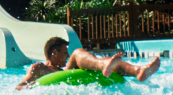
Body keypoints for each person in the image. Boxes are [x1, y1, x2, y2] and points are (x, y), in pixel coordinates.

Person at [16, 36, 160, 90]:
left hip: (71, 79)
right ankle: (105, 66)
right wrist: (31, 86)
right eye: (64, 52)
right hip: (60, 80)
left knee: (103, 61)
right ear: (54, 53)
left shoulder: (63, 68)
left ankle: (138, 70)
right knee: (77, 53)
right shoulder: (40, 67)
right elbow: (19, 87)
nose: (66, 56)